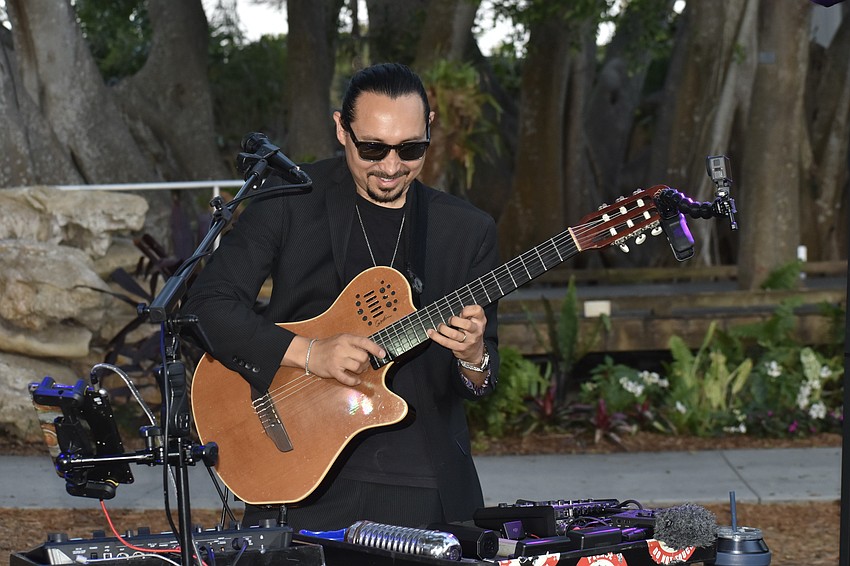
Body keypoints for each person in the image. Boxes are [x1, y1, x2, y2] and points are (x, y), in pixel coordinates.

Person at [182, 62, 501, 531]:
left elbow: (482, 378)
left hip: (420, 483)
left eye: (411, 148)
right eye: (372, 148)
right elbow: (205, 306)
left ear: (429, 129)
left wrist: (473, 355)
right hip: (294, 466)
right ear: (340, 129)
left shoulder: (467, 231)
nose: (391, 166)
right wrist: (310, 353)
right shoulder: (289, 200)